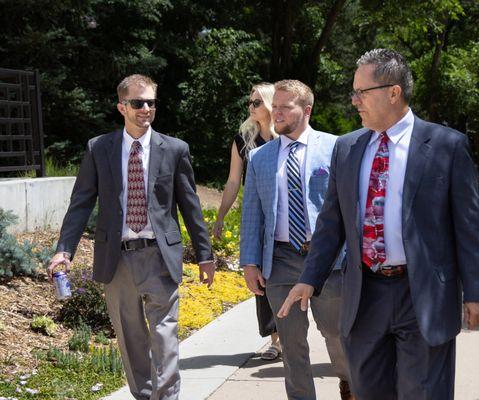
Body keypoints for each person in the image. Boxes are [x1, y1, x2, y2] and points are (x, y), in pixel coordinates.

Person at [278, 49, 479, 400]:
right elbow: (333, 223)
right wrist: (309, 279)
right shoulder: (348, 148)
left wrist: (478, 292)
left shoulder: (446, 146)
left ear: (393, 92)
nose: (354, 101)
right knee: (371, 391)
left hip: (422, 293)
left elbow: (469, 226)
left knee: (423, 393)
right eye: (354, 92)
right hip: (365, 295)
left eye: (362, 92)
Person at [47, 74, 215, 400]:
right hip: (117, 259)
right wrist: (64, 250)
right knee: (131, 339)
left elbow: (190, 206)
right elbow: (81, 202)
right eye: (138, 103)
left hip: (159, 256)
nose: (146, 109)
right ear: (121, 106)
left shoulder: (175, 149)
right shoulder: (99, 149)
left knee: (165, 340)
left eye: (152, 102)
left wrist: (205, 254)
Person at [241, 79, 353, 400]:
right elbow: (253, 214)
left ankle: (350, 385)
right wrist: (250, 262)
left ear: (306, 110)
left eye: (284, 107)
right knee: (292, 346)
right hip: (280, 261)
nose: (275, 112)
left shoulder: (335, 148)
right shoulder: (260, 158)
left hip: (328, 261)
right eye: (274, 106)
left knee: (335, 335)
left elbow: (349, 208)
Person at [212, 83, 281, 360]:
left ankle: (292, 334)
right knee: (261, 278)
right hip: (258, 219)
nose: (251, 108)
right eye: (250, 103)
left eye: (256, 103)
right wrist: (220, 216)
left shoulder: (286, 136)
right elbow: (232, 181)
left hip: (288, 219)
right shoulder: (243, 139)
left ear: (270, 104)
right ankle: (277, 340)